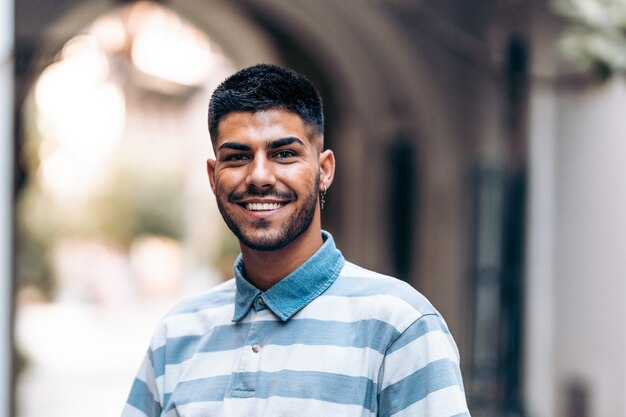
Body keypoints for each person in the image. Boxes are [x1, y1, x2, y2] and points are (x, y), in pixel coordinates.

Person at [122, 64, 470, 417]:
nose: (259, 176)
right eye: (238, 157)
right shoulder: (176, 335)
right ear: (213, 176)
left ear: (325, 170)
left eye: (284, 154)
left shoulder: (400, 327)